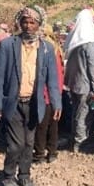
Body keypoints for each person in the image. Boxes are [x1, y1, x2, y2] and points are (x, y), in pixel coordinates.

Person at [0, 5, 62, 186]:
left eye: (32, 22)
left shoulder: (47, 49)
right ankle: (8, 176)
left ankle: (24, 175)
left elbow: (53, 80)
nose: (28, 25)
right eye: (25, 21)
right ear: (20, 23)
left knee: (29, 143)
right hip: (14, 103)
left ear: (39, 24)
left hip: (34, 104)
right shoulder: (8, 45)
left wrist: (56, 102)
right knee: (16, 144)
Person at [64, 9, 94, 153]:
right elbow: (93, 68)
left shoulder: (74, 41)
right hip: (87, 86)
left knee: (77, 111)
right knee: (85, 114)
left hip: (75, 84)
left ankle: (74, 138)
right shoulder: (89, 44)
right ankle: (80, 142)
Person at [34, 24, 64, 163]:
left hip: (45, 92)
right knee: (53, 124)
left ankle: (39, 153)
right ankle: (52, 152)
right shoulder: (57, 49)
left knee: (41, 125)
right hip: (56, 92)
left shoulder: (45, 49)